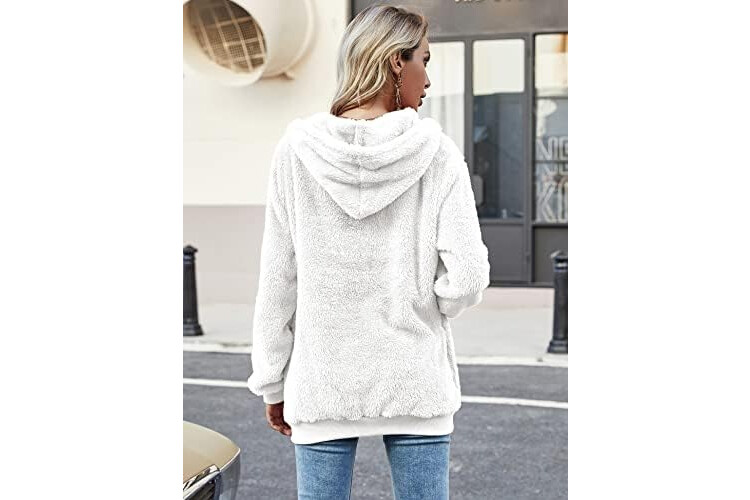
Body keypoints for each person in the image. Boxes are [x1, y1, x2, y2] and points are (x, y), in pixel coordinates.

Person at [247, 4, 490, 499]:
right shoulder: (437, 154)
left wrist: (272, 381)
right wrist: (430, 303)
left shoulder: (296, 152)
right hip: (414, 379)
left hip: (323, 382)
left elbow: (278, 281)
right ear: (397, 61)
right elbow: (467, 277)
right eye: (424, 60)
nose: (428, 79)